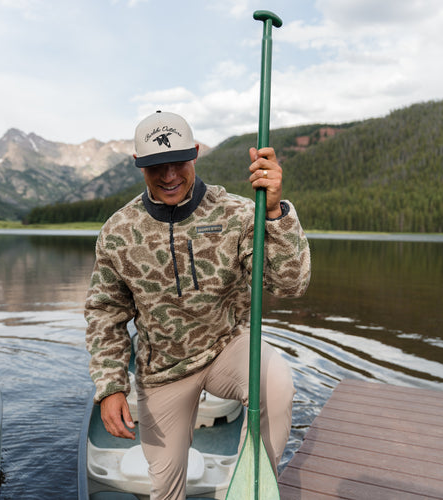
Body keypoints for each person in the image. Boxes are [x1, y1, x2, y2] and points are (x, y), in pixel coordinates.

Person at [85, 110, 311, 500]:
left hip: (227, 348)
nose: (169, 174)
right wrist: (110, 386)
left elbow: (291, 285)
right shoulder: (118, 232)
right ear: (139, 164)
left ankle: (250, 487)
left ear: (196, 153)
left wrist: (275, 213)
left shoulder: (238, 213)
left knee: (275, 383)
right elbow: (105, 313)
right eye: (156, 165)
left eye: (179, 161)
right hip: (162, 370)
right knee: (165, 487)